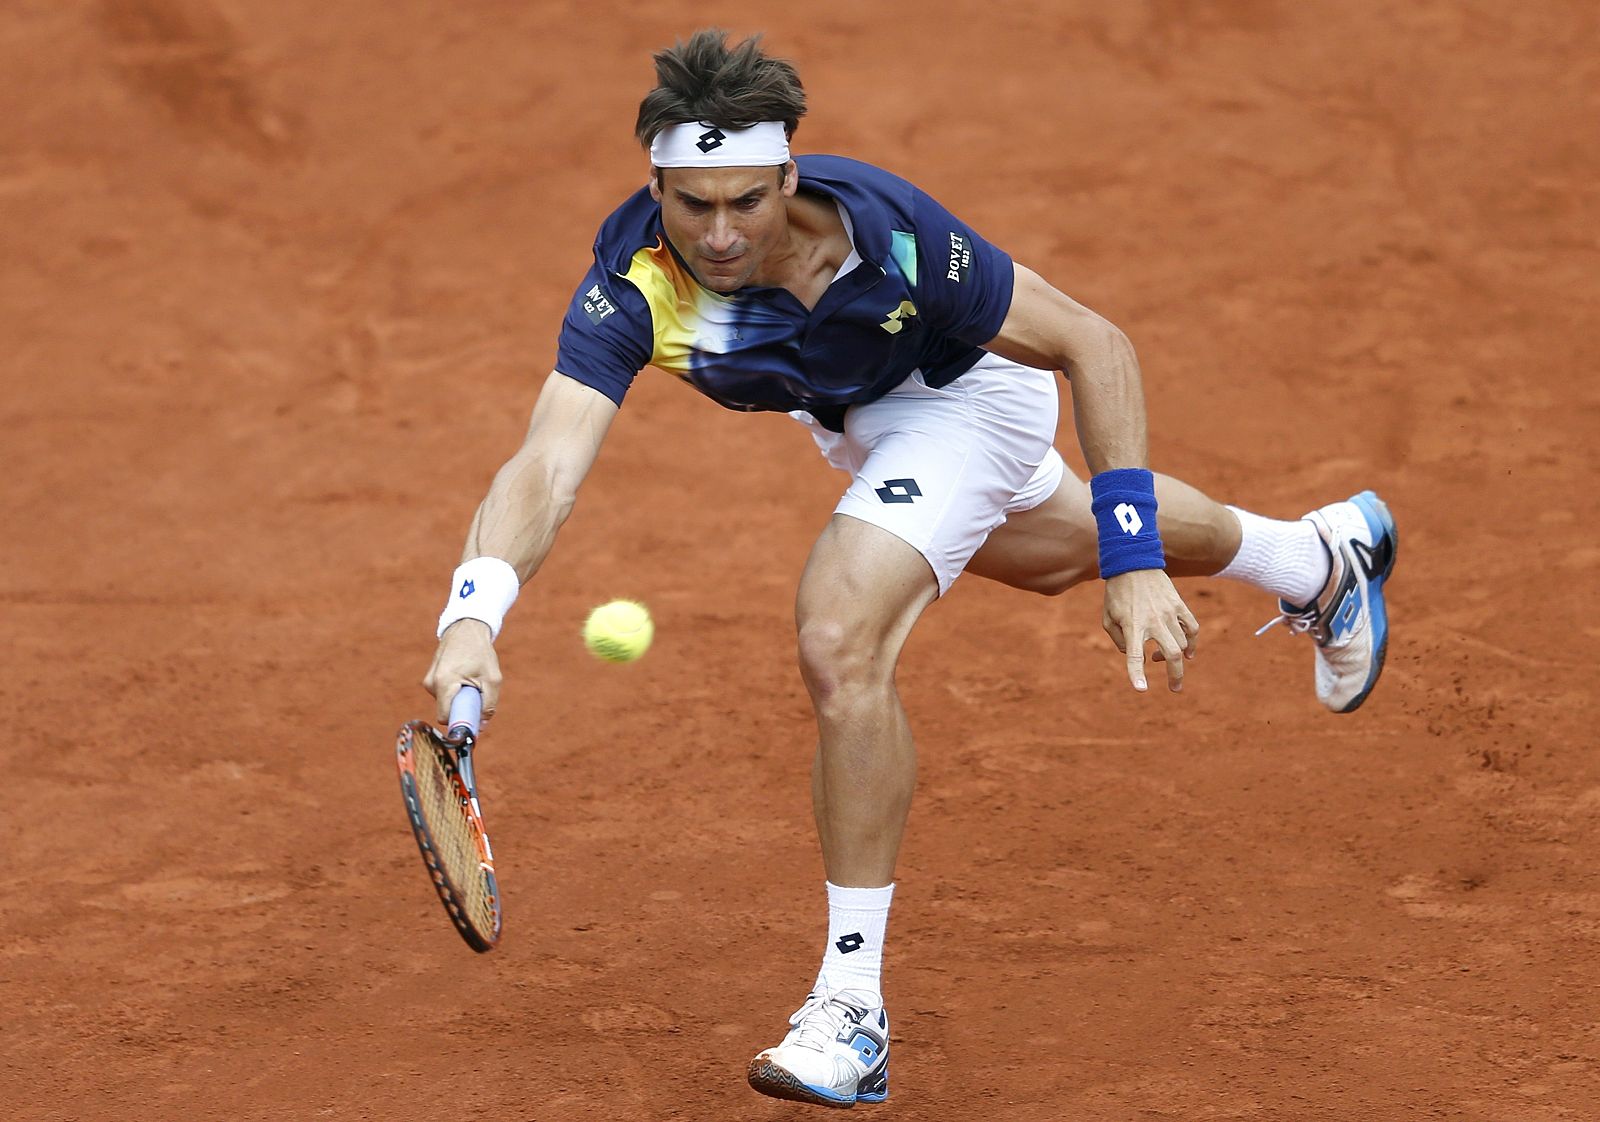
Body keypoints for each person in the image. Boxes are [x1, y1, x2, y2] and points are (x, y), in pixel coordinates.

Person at [422, 28, 1398, 1109]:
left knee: (842, 636)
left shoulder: (892, 238)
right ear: (654, 185)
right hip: (856, 420)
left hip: (967, 393)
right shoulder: (633, 285)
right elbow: (547, 463)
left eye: (745, 201)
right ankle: (1317, 559)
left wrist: (1136, 563)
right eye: (689, 203)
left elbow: (1094, 344)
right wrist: (473, 612)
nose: (718, 233)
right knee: (1053, 553)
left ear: (788, 176)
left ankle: (851, 1009)